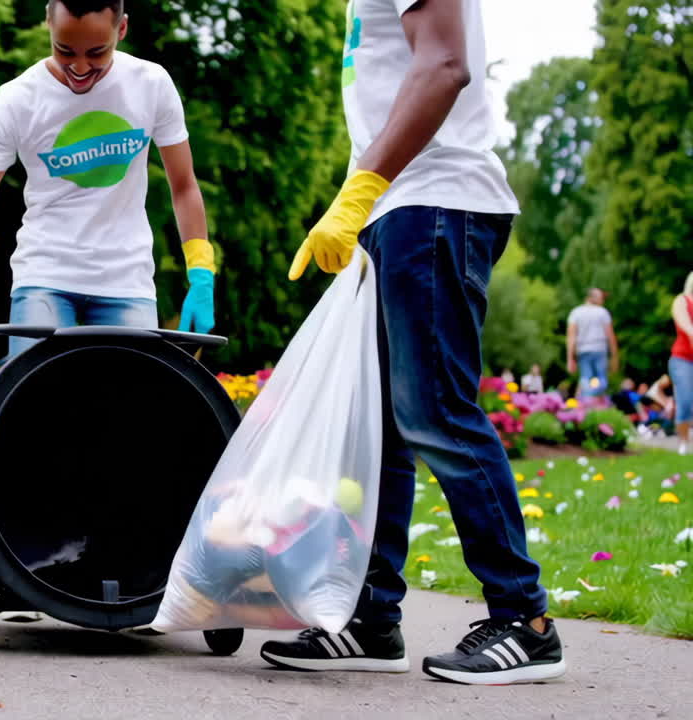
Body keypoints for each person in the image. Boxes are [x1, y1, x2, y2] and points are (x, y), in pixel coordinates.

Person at [264, 0, 564, 685]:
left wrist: (359, 192)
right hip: (397, 209)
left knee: (436, 411)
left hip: (434, 203)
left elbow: (444, 65)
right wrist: (361, 200)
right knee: (380, 427)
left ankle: (525, 619)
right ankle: (372, 616)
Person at [0, 0, 215, 370]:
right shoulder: (16, 100)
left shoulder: (151, 85)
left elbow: (183, 186)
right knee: (33, 403)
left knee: (131, 407)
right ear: (48, 24)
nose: (79, 67)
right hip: (45, 274)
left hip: (126, 279)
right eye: (64, 50)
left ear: (121, 30)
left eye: (97, 53)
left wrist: (201, 274)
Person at [567, 288, 619, 397]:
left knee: (586, 379)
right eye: (601, 298)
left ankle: (587, 401)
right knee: (601, 380)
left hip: (583, 351)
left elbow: (571, 338)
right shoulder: (603, 312)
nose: (603, 301)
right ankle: (592, 402)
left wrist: (570, 358)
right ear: (592, 298)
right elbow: (611, 336)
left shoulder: (575, 313)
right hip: (599, 350)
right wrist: (614, 356)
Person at [669, 274, 693, 454]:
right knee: (685, 400)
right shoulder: (682, 301)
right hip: (683, 359)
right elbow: (685, 324)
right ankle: (684, 441)